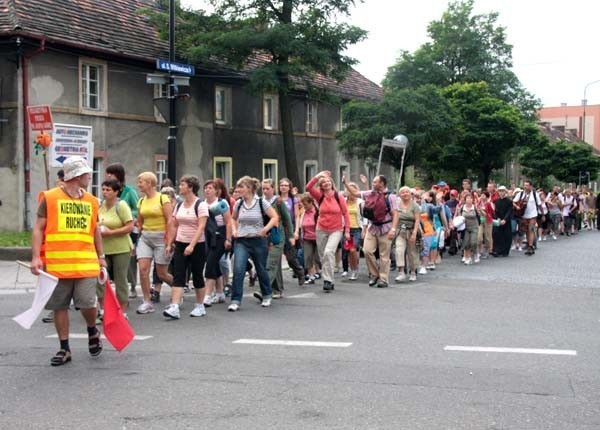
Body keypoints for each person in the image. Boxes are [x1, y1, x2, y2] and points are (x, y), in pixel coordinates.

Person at [31, 156, 106, 366]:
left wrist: (101, 258)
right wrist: (36, 257)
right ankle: (64, 349)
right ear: (77, 175)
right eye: (86, 174)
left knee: (87, 304)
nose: (89, 177)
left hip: (85, 263)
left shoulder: (91, 201)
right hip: (58, 265)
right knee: (60, 306)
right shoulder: (50, 197)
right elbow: (38, 228)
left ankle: (92, 329)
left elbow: (95, 231)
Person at [229, 176, 279, 311]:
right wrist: (234, 230)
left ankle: (267, 295)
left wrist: (264, 230)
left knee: (261, 269)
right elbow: (233, 218)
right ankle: (235, 300)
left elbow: (274, 217)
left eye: (241, 187)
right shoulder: (239, 203)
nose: (238, 189)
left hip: (258, 241)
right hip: (242, 240)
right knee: (238, 269)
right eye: (237, 187)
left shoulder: (261, 202)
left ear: (249, 188)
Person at [163, 175, 209, 319]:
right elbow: (174, 225)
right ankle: (175, 307)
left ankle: (200, 306)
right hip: (181, 243)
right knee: (178, 275)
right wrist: (170, 243)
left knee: (197, 276)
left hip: (198, 245)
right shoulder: (179, 205)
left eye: (182, 185)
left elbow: (201, 227)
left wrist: (192, 245)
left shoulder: (200, 205)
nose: (180, 187)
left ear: (190, 187)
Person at [135, 172, 173, 314]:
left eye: (141, 182)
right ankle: (147, 301)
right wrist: (138, 238)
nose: (139, 184)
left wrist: (169, 242)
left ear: (149, 183)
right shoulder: (141, 201)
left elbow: (170, 220)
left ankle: (177, 290)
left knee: (162, 273)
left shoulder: (163, 199)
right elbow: (140, 221)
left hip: (160, 237)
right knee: (143, 270)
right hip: (146, 237)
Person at [306, 171, 350, 292]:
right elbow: (308, 187)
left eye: (327, 181)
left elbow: (345, 213)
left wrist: (347, 230)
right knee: (323, 256)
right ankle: (328, 278)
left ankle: (328, 280)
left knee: (328, 252)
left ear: (332, 183)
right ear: (321, 186)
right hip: (321, 229)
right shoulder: (320, 196)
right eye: (323, 182)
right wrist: (318, 176)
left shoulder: (338, 196)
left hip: (336, 229)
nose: (326, 183)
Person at [97, 178, 134, 321]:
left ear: (116, 192)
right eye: (103, 189)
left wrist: (110, 232)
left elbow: (130, 227)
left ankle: (122, 312)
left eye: (108, 190)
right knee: (101, 280)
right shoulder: (99, 205)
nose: (105, 192)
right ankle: (103, 310)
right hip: (103, 249)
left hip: (120, 248)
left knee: (120, 280)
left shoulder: (121, 205)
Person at [351, 174, 397, 288]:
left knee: (384, 255)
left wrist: (393, 229)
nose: (373, 183)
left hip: (386, 228)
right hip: (373, 227)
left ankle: (383, 279)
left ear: (382, 183)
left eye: (375, 181)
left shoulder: (391, 197)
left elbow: (396, 214)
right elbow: (355, 193)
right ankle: (374, 274)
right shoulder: (370, 194)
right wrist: (345, 183)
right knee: (367, 250)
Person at [105, 163, 139, 299]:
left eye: (111, 173)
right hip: (110, 230)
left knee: (129, 259)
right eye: (108, 173)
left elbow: (137, 208)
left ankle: (132, 285)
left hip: (127, 227)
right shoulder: (107, 192)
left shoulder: (129, 191)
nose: (108, 176)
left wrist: (126, 213)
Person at [202, 179, 232, 306]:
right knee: (213, 264)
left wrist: (228, 239)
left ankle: (207, 296)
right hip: (207, 236)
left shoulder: (221, 203)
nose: (207, 190)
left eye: (210, 188)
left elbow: (228, 222)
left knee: (210, 264)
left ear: (216, 191)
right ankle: (219, 293)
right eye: (206, 188)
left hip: (220, 235)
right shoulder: (202, 204)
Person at [262, 179, 294, 299]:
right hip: (265, 236)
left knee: (271, 262)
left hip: (277, 235)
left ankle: (264, 290)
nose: (265, 191)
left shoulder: (278, 202)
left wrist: (291, 236)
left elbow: (287, 220)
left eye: (267, 188)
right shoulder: (261, 201)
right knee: (275, 262)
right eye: (263, 189)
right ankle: (278, 289)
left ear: (273, 189)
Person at [390, 186, 421, 282]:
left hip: (411, 230)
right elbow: (394, 217)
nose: (405, 194)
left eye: (407, 192)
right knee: (399, 250)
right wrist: (393, 229)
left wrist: (415, 233)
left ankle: (412, 271)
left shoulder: (415, 206)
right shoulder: (397, 205)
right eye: (403, 192)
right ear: (399, 195)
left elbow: (417, 220)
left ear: (410, 194)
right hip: (400, 231)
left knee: (412, 252)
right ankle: (401, 272)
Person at [278, 178, 305, 285]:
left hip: (290, 229)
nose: (283, 187)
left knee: (290, 257)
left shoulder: (293, 200)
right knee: (275, 255)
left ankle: (300, 272)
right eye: (282, 185)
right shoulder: (277, 199)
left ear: (289, 187)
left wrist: (296, 231)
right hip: (278, 229)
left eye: (286, 185)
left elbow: (297, 216)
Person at [295, 194, 321, 284]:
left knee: (318, 258)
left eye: (306, 204)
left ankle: (322, 272)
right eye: (303, 204)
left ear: (311, 203)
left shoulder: (317, 212)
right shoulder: (303, 212)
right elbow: (300, 223)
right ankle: (311, 276)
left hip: (317, 238)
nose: (304, 206)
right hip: (307, 238)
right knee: (308, 257)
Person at [341, 180, 364, 281]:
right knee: (348, 251)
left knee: (353, 249)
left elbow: (365, 217)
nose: (351, 193)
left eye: (353, 191)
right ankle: (353, 268)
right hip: (346, 229)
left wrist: (365, 229)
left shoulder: (360, 202)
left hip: (357, 229)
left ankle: (355, 269)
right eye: (349, 190)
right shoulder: (343, 201)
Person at [514, 181, 543, 255]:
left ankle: (530, 246)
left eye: (527, 185)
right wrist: (517, 206)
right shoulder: (520, 194)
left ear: (531, 186)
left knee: (531, 229)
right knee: (526, 231)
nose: (525, 187)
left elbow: (539, 205)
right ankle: (529, 244)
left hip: (533, 214)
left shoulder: (534, 194)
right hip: (524, 215)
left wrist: (543, 214)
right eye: (524, 185)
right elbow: (513, 201)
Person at [491, 186, 513, 257]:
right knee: (497, 235)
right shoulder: (496, 201)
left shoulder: (509, 201)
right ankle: (497, 250)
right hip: (499, 221)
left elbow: (509, 211)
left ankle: (505, 251)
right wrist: (498, 218)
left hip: (506, 221)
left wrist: (505, 219)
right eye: (500, 191)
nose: (501, 192)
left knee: (507, 235)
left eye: (503, 191)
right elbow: (495, 211)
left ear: (505, 192)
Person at [459, 192, 479, 264]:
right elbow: (459, 217)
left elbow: (478, 216)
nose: (469, 200)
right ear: (465, 200)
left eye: (470, 198)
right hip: (465, 227)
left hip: (474, 226)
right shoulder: (462, 207)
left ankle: (476, 253)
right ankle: (468, 258)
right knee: (466, 243)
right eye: (467, 198)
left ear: (472, 200)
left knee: (473, 242)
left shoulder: (475, 207)